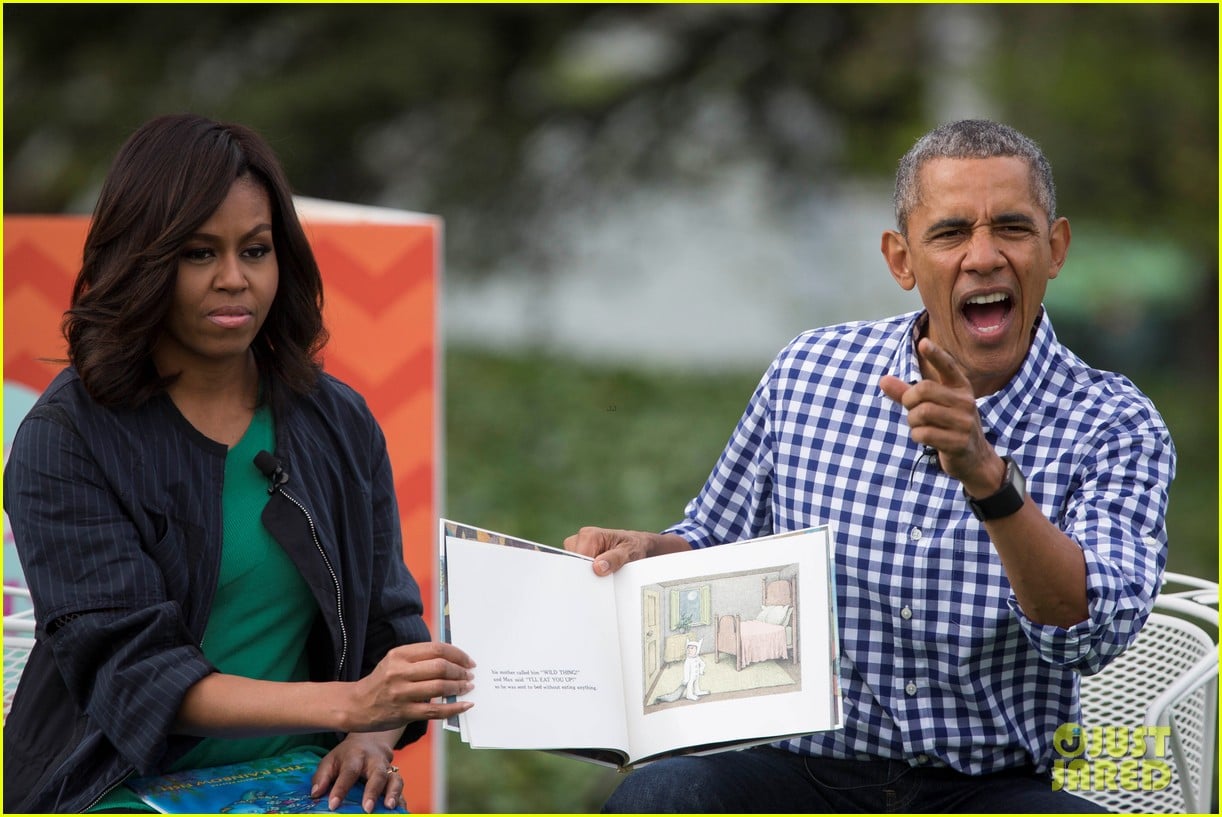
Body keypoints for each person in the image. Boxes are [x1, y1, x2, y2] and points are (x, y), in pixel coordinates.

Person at [565, 120, 1174, 813]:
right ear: (901, 258)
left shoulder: (1115, 421)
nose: (984, 256)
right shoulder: (809, 372)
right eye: (950, 233)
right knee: (661, 797)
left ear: (1054, 247)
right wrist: (650, 551)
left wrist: (987, 477)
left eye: (1012, 228)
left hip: (989, 786)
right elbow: (714, 542)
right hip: (803, 771)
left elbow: (1088, 630)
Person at [3, 113, 475, 814]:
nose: (233, 279)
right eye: (198, 254)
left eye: (255, 251)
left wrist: (372, 734)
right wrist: (351, 702)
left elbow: (389, 633)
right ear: (141, 260)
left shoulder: (337, 420)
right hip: (114, 786)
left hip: (303, 781)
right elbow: (139, 677)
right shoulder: (65, 438)